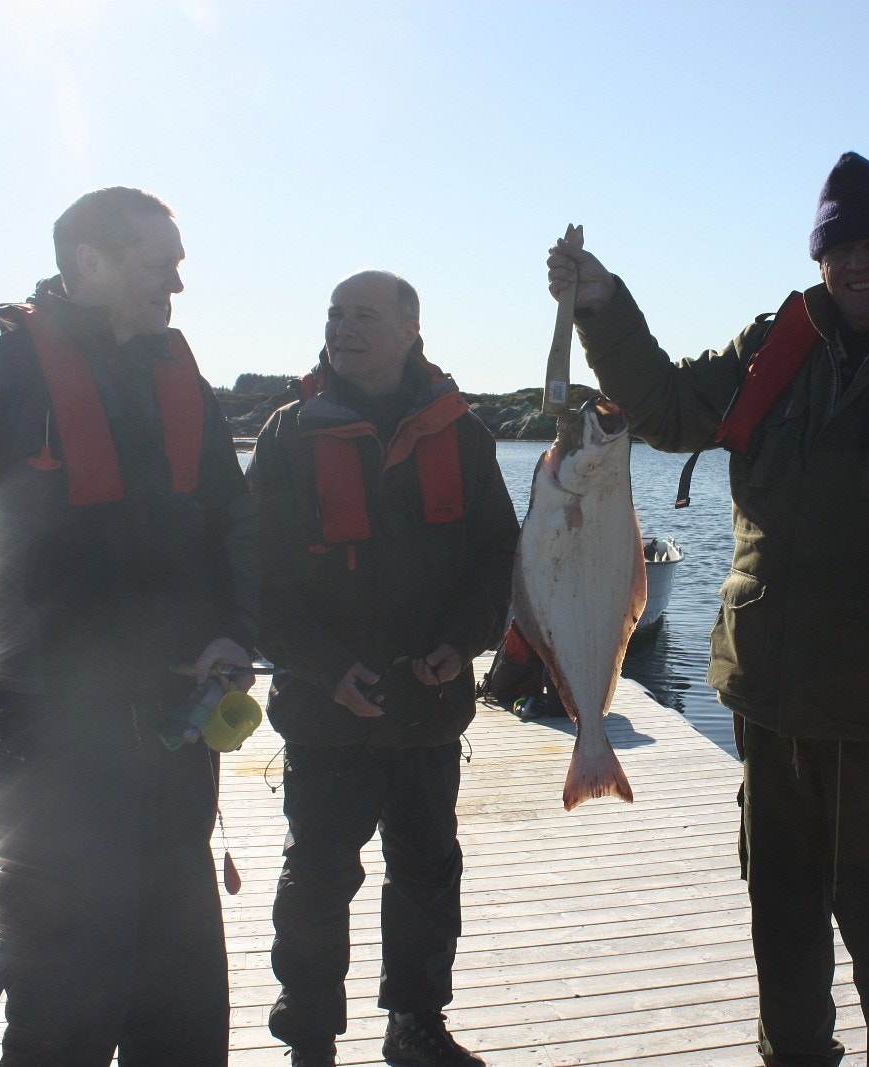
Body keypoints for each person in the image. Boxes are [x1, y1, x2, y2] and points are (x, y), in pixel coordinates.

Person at [545, 152, 869, 1066]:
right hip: (771, 711)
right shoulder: (766, 348)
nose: (861, 263)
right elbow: (666, 408)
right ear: (819, 257)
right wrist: (601, 304)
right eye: (842, 247)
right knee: (783, 939)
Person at [0, 186, 258, 1066]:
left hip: (178, 755)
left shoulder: (177, 375)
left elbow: (235, 528)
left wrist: (233, 630)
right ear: (89, 265)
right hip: (51, 763)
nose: (176, 286)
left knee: (184, 1030)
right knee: (63, 1028)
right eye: (160, 266)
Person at [248, 270, 517, 1067]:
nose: (344, 326)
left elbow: (495, 555)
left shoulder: (462, 435)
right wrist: (325, 668)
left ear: (410, 330)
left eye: (364, 315)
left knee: (428, 872)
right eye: (335, 313)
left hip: (428, 709)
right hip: (329, 708)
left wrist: (464, 638)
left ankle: (416, 1024)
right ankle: (310, 1035)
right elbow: (254, 579)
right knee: (319, 877)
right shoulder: (287, 435)